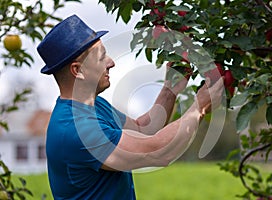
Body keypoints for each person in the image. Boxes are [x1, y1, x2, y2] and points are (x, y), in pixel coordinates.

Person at [37, 14, 224, 200]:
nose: (111, 62)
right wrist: (199, 107)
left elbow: (144, 128)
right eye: (101, 57)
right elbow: (157, 152)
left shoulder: (93, 106)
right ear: (78, 71)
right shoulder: (76, 129)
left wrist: (170, 90)